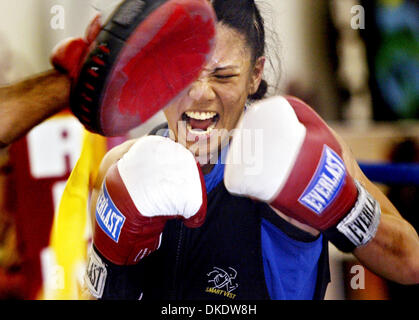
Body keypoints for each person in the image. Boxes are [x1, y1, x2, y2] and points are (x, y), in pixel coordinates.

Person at [81, 0, 418, 300]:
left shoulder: (294, 147)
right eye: (183, 74)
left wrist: (339, 204)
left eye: (223, 76)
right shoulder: (122, 166)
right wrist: (113, 273)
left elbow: (411, 262)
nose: (200, 94)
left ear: (255, 75)